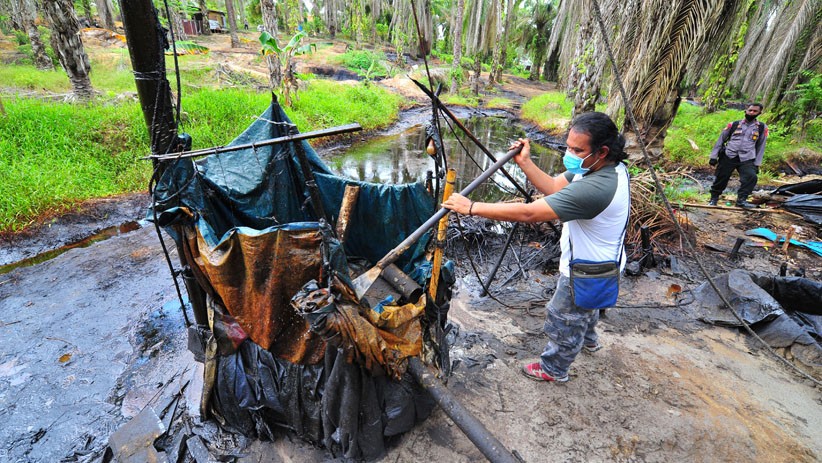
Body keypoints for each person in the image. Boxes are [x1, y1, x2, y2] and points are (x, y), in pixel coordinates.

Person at [442, 112, 630, 382]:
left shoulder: (597, 187)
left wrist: (471, 207)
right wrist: (526, 163)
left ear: (602, 150)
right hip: (606, 262)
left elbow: (529, 213)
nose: (570, 154)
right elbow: (554, 186)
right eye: (568, 146)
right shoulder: (600, 167)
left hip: (586, 270)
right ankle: (589, 340)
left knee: (563, 317)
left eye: (577, 150)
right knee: (587, 309)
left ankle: (554, 369)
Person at [708, 103, 768, 209]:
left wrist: (757, 164)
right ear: (746, 111)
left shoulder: (762, 128)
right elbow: (720, 140)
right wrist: (713, 156)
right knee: (721, 177)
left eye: (755, 111)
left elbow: (761, 146)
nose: (751, 112)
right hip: (729, 155)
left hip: (747, 157)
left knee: (751, 177)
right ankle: (714, 198)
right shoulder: (733, 125)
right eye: (750, 110)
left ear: (759, 113)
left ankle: (741, 200)